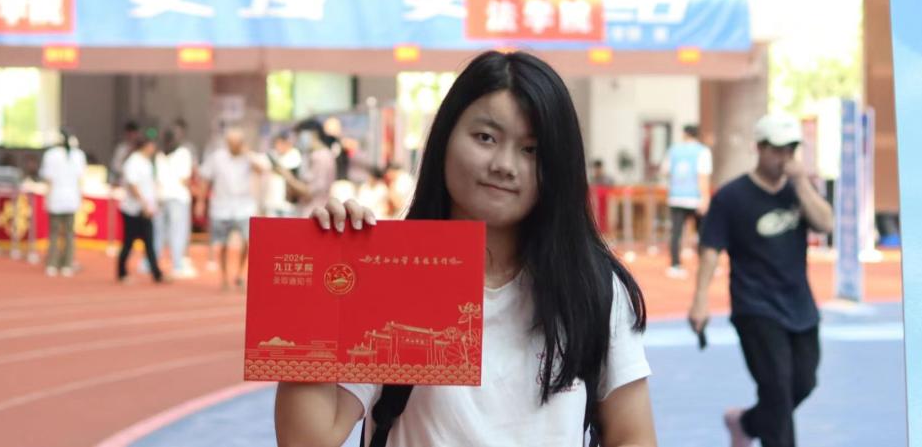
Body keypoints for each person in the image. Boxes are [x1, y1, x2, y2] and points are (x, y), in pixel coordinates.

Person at [274, 50, 657, 447]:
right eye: (486, 138)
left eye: (531, 149)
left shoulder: (591, 287)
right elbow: (306, 440)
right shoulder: (392, 275)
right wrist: (321, 280)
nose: (504, 165)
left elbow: (633, 436)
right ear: (445, 138)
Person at [687, 113, 834, 447]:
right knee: (777, 391)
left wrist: (801, 184)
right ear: (759, 147)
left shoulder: (799, 190)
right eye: (777, 150)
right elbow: (710, 249)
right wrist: (700, 300)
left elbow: (826, 224)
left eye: (790, 150)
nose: (784, 157)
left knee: (803, 383)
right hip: (755, 307)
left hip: (799, 305)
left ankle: (745, 423)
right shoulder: (731, 197)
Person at [195, 127, 269, 290]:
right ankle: (224, 277)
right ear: (227, 143)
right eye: (232, 142)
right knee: (222, 243)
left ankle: (240, 274)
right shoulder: (217, 157)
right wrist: (200, 202)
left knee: (248, 241)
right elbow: (205, 179)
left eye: (238, 142)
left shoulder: (249, 157)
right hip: (222, 206)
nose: (235, 145)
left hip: (244, 206)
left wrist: (248, 154)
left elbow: (262, 170)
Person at [663, 124, 713, 278]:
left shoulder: (673, 151)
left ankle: (675, 265)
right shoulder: (702, 151)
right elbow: (703, 176)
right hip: (695, 198)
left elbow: (665, 171)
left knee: (676, 232)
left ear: (684, 134)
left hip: (676, 196)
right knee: (702, 232)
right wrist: (705, 198)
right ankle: (704, 264)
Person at [117, 128, 163, 284]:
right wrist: (143, 204)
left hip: (145, 208)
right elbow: (133, 185)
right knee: (129, 242)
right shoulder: (134, 161)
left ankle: (157, 273)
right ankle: (122, 272)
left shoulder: (146, 162)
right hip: (133, 209)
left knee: (149, 242)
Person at [40, 130, 87, 277]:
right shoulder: (78, 155)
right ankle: (67, 263)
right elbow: (80, 179)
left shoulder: (51, 155)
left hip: (56, 196)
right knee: (69, 233)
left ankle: (52, 263)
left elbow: (49, 179)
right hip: (71, 197)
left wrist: (46, 197)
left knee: (54, 233)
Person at [153, 128, 196, 278]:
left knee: (159, 232)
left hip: (161, 196)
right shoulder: (183, 153)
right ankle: (177, 264)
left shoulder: (159, 155)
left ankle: (152, 262)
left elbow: (157, 178)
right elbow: (185, 178)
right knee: (178, 232)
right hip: (178, 196)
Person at [263, 130, 310, 217]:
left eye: (280, 143)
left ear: (287, 143)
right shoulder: (274, 155)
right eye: (276, 144)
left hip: (289, 204)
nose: (278, 147)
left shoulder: (295, 155)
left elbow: (285, 170)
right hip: (274, 203)